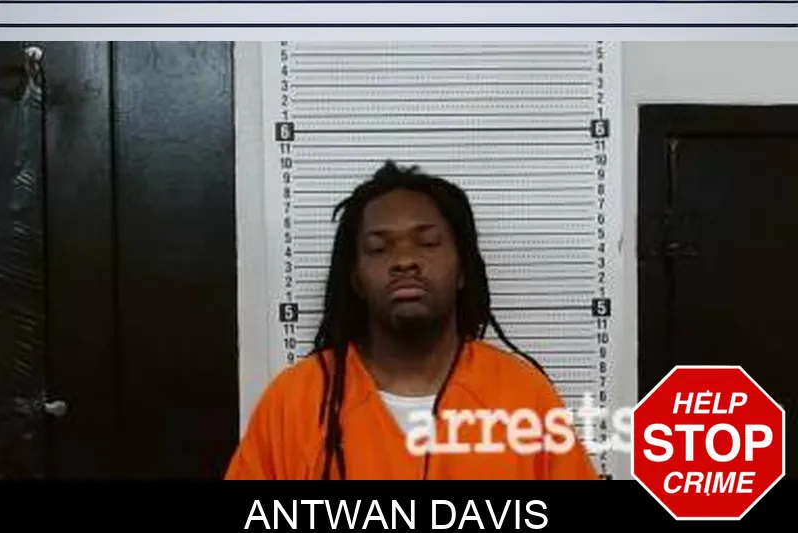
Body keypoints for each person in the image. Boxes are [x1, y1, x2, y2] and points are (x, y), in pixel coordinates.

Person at [225, 160, 598, 480]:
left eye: (428, 242)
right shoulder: (294, 401)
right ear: (355, 279)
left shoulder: (524, 396)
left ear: (462, 269)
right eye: (378, 248)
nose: (404, 260)